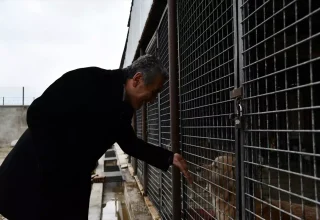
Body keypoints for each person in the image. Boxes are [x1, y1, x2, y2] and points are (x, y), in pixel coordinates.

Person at [0, 54, 192, 220]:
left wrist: (168, 157)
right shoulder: (90, 80)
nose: (153, 99)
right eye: (155, 92)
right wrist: (54, 168)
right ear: (137, 79)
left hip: (70, 181)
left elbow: (131, 145)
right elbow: (37, 113)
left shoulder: (122, 109)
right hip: (33, 174)